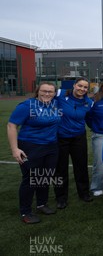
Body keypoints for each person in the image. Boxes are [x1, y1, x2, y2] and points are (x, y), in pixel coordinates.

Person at [8, 82, 61, 224]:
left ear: (55, 93)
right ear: (38, 91)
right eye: (44, 91)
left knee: (45, 176)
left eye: (51, 91)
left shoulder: (54, 104)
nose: (47, 94)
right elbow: (12, 125)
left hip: (51, 146)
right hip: (30, 147)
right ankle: (25, 212)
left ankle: (41, 204)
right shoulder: (27, 106)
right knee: (31, 179)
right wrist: (15, 149)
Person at [54, 77, 94, 209]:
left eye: (85, 87)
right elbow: (44, 93)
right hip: (61, 137)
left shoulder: (88, 102)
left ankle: (84, 193)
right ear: (74, 85)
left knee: (81, 166)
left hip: (78, 137)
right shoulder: (60, 94)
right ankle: (61, 197)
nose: (82, 89)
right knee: (60, 168)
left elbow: (90, 118)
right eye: (80, 86)